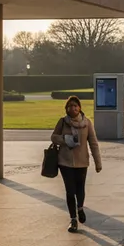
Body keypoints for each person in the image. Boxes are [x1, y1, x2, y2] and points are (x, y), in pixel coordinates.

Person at [52, 96, 102, 233]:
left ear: (79, 107)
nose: (72, 108)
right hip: (65, 162)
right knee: (70, 190)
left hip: (81, 162)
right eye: (70, 106)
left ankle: (80, 208)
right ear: (66, 109)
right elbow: (54, 137)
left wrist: (98, 162)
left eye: (75, 106)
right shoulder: (62, 122)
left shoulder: (87, 123)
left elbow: (93, 143)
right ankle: (73, 219)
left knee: (80, 188)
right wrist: (64, 139)